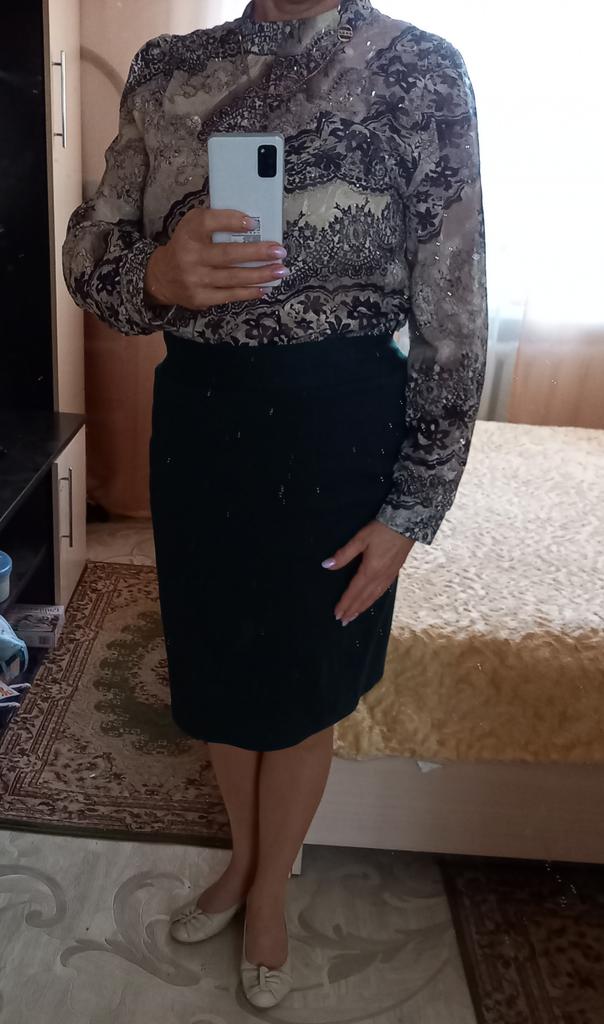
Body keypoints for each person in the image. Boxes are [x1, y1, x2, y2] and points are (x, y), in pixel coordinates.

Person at [62, 0, 488, 1008]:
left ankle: (266, 893)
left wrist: (415, 504)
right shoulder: (168, 68)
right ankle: (246, 862)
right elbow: (88, 254)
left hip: (344, 435)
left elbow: (455, 301)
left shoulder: (423, 71)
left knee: (303, 684)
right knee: (217, 672)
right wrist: (157, 275)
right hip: (204, 428)